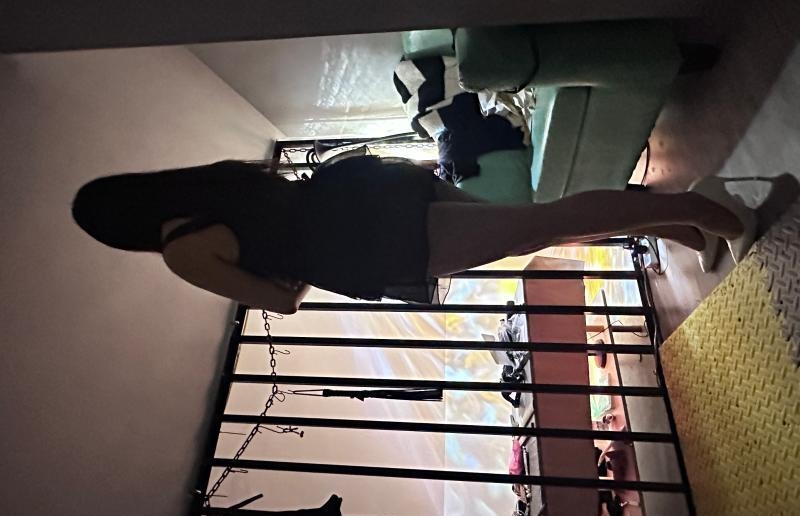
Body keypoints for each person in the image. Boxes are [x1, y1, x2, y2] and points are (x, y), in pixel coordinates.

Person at [72, 155, 759, 314]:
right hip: (379, 190)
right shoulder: (209, 183)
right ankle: (687, 228)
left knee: (549, 221)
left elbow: (282, 300)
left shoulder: (182, 251)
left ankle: (710, 211)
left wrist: (294, 271)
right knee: (538, 226)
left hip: (383, 243)